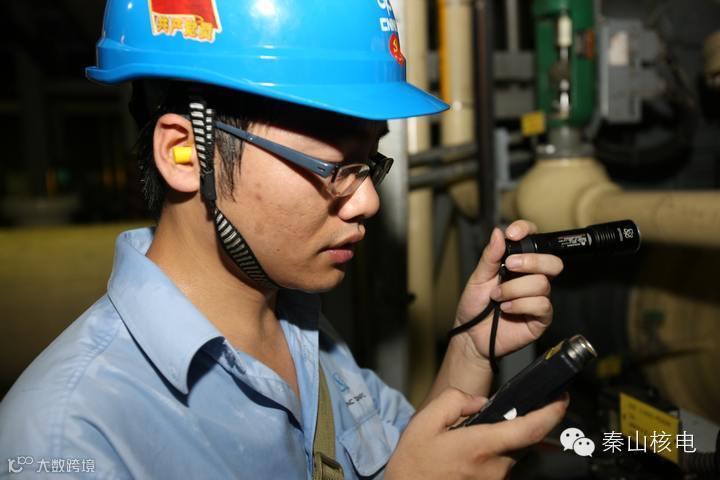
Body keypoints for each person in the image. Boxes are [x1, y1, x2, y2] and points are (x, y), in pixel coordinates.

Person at [0, 1, 567, 478]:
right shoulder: (66, 437)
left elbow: (415, 458)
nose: (368, 201)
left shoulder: (307, 335)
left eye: (370, 161)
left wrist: (470, 350)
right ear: (184, 153)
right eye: (331, 165)